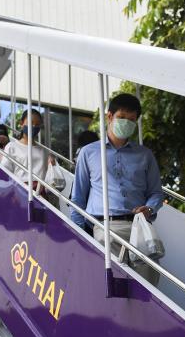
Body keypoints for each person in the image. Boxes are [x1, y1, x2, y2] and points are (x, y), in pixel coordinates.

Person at [69, 93, 163, 283]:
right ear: (109, 116)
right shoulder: (89, 153)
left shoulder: (145, 155)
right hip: (106, 227)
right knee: (111, 285)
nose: (126, 123)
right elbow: (77, 198)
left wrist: (150, 208)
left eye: (131, 119)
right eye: (122, 117)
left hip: (141, 227)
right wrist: (79, 236)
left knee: (148, 289)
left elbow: (156, 192)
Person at [1, 109, 48, 185]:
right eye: (30, 123)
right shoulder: (12, 146)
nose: (34, 126)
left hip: (40, 192)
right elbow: (5, 171)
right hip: (20, 189)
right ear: (21, 123)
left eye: (37, 124)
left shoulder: (43, 151)